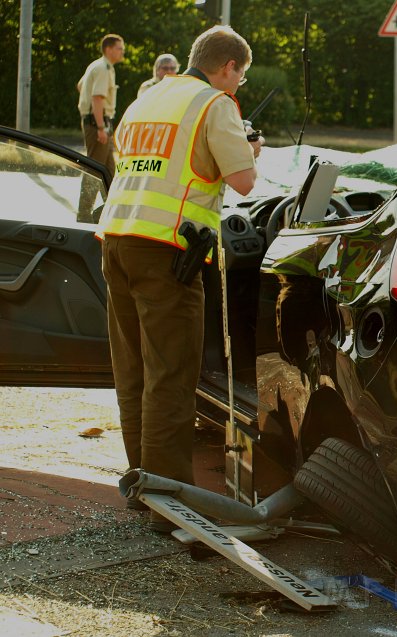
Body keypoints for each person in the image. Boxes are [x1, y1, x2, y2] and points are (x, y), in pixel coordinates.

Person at [97, 25, 264, 533]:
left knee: (134, 375)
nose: (237, 87)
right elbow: (243, 181)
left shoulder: (147, 99)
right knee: (170, 378)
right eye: (239, 77)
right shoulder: (215, 104)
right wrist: (251, 149)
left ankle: (141, 485)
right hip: (168, 253)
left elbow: (139, 165)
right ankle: (168, 508)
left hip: (117, 240)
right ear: (228, 67)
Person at [77, 34, 125, 178]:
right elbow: (97, 98)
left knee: (109, 172)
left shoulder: (98, 65)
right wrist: (100, 127)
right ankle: (85, 202)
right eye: (119, 48)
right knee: (94, 172)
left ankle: (111, 201)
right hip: (97, 124)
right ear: (108, 49)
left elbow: (81, 86)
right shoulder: (103, 68)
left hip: (99, 122)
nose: (122, 52)